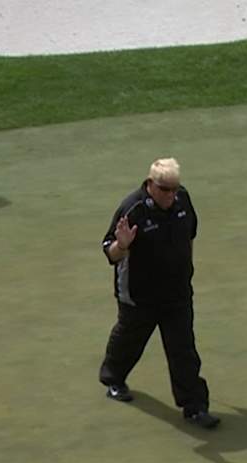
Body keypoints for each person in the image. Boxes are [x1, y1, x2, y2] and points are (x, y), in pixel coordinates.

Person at [98, 157, 220, 429]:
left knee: (183, 350)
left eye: (175, 188)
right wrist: (123, 244)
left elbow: (190, 236)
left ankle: (194, 407)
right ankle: (114, 379)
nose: (171, 195)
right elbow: (110, 252)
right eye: (165, 189)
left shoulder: (183, 201)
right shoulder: (133, 209)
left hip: (176, 293)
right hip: (140, 294)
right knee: (130, 339)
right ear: (151, 184)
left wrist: (186, 271)